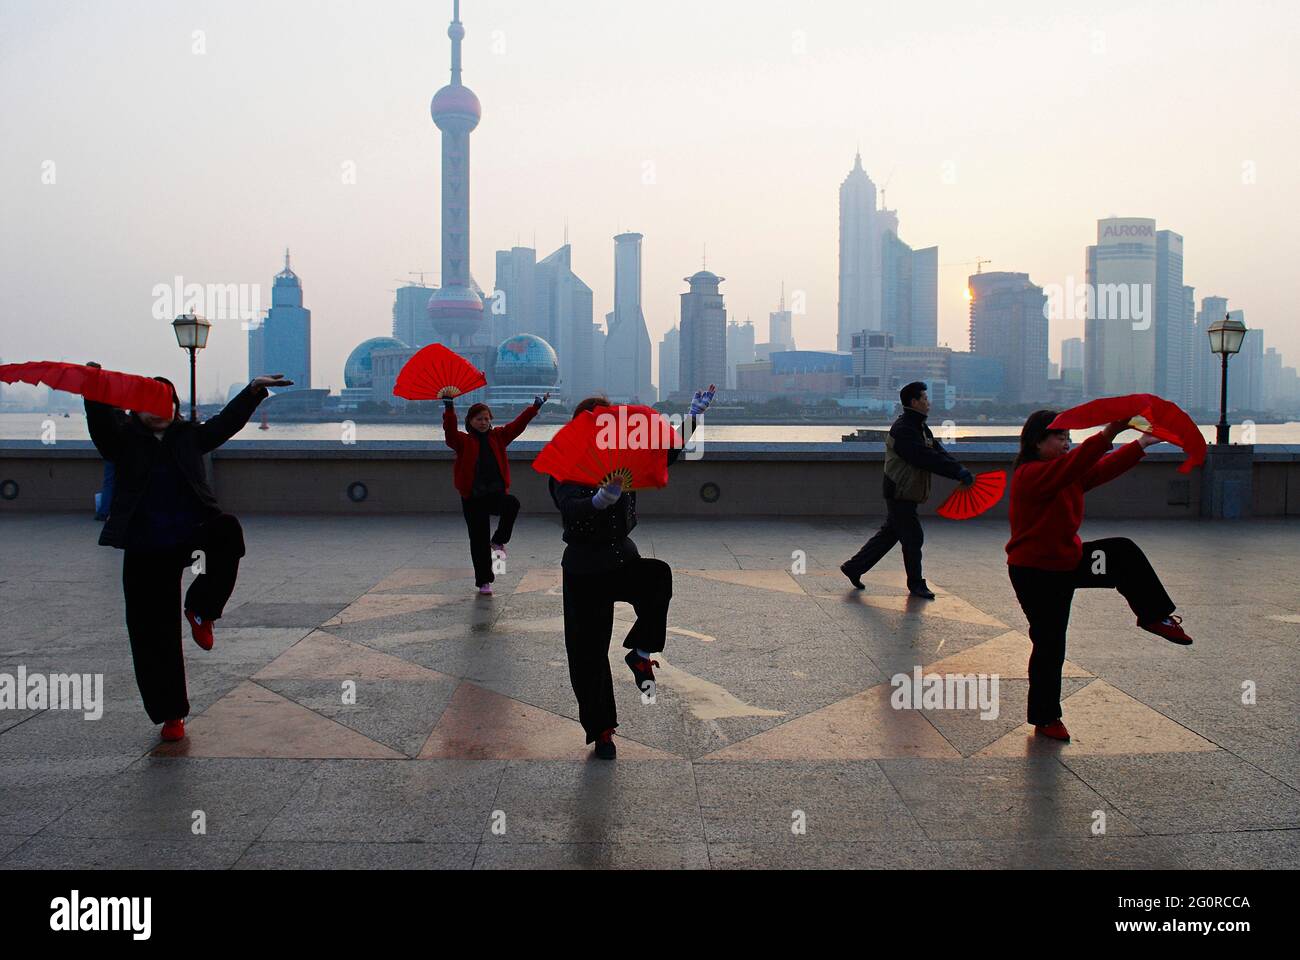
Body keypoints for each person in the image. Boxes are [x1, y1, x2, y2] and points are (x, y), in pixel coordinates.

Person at [85, 365, 291, 742]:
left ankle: (201, 609)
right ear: (134, 408)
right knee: (151, 633)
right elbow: (100, 425)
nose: (156, 410)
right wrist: (93, 388)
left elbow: (227, 423)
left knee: (227, 530)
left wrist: (254, 391)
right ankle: (171, 715)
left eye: (164, 402)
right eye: (146, 402)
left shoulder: (189, 437)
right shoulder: (123, 441)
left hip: (193, 536)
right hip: (146, 546)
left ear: (176, 406)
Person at [549, 385, 715, 760]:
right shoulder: (567, 463)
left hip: (622, 558)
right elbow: (569, 507)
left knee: (658, 577)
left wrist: (693, 417)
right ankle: (602, 731)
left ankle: (639, 653)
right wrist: (595, 501)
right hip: (584, 569)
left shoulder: (626, 454)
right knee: (587, 653)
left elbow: (666, 452)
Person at [1006, 412, 1192, 742]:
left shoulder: (1067, 474)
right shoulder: (1030, 475)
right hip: (1036, 572)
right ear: (1036, 442)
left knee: (1121, 553)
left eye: (1068, 437)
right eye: (1059, 437)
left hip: (1070, 562)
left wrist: (1141, 444)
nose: (1066, 443)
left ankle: (1153, 616)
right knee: (1050, 643)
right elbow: (1077, 463)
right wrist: (1108, 432)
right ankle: (1045, 718)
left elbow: (1101, 469)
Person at [841, 381, 974, 599]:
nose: (928, 403)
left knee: (889, 535)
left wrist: (958, 468)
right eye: (924, 399)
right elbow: (924, 457)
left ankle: (854, 567)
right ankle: (916, 584)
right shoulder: (904, 429)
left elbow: (937, 451)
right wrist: (956, 472)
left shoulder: (919, 427)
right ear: (914, 402)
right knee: (913, 538)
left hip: (907, 491)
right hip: (899, 491)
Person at [443, 393, 548, 595]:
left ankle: (498, 540)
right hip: (472, 498)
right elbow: (449, 433)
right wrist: (449, 408)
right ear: (470, 422)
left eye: (486, 419)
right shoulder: (463, 442)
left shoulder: (499, 437)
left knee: (512, 504)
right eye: (478, 419)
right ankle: (484, 581)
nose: (483, 423)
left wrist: (535, 407)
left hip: (495, 495)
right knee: (478, 540)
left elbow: (518, 425)